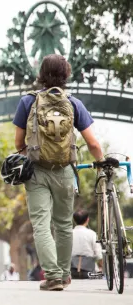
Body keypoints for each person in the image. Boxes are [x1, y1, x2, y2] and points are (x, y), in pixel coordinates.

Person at [13, 54, 104, 291]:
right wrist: (102, 162)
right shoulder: (74, 103)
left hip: (36, 172)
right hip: (64, 171)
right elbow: (93, 143)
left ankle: (52, 275)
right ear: (66, 75)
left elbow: (18, 142)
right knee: (63, 225)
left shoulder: (27, 102)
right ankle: (64, 275)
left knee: (41, 225)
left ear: (41, 74)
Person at [71, 209, 102, 280]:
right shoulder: (92, 234)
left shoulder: (69, 234)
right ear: (87, 220)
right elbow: (98, 254)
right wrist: (101, 267)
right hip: (89, 271)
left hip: (72, 270)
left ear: (74, 220)